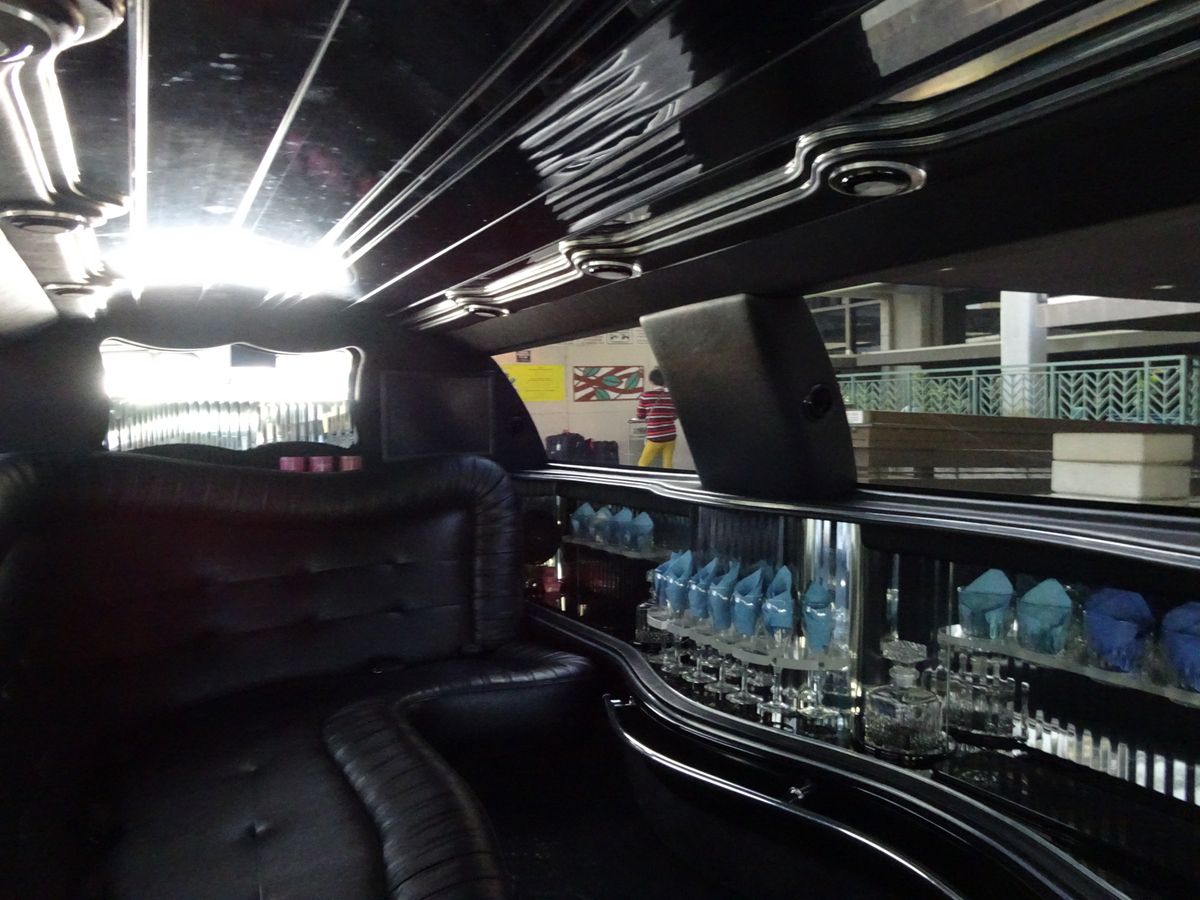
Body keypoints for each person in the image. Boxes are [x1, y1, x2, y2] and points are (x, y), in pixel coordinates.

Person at [636, 368, 677, 467]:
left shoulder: (645, 396)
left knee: (642, 464)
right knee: (667, 464)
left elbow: (640, 416)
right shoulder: (671, 396)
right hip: (670, 435)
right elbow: (675, 416)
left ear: (651, 381)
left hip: (655, 436)